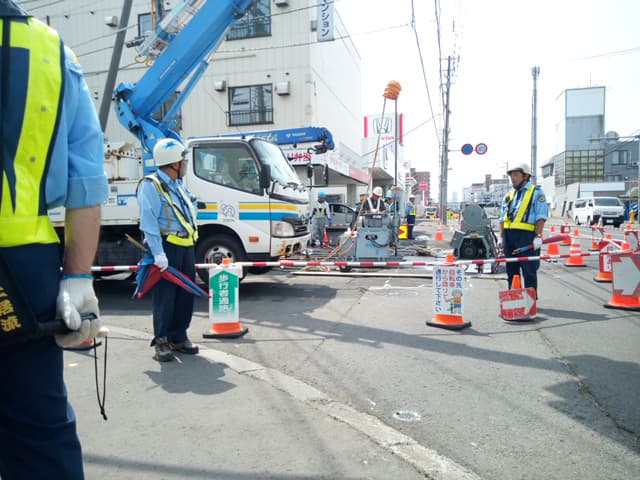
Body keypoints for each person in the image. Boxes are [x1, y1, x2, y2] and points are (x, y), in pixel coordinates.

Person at [0, 1, 108, 478]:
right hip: (26, 270)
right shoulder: (48, 48)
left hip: (26, 271)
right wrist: (78, 275)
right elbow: (86, 178)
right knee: (40, 436)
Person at [137, 138, 200, 362]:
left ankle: (179, 336)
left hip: (186, 245)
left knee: (185, 293)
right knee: (165, 296)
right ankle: (162, 340)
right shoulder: (151, 185)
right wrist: (158, 253)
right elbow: (149, 222)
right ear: (173, 163)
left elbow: (188, 205)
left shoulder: (177, 184)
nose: (186, 164)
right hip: (167, 247)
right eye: (184, 161)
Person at [498, 163, 548, 297]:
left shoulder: (536, 192)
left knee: (529, 271)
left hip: (527, 237)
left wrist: (538, 236)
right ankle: (514, 300)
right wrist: (501, 237)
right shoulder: (509, 195)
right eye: (511, 175)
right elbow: (502, 218)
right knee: (511, 271)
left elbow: (541, 217)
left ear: (525, 176)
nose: (512, 178)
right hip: (509, 237)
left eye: (516, 175)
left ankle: (530, 301)